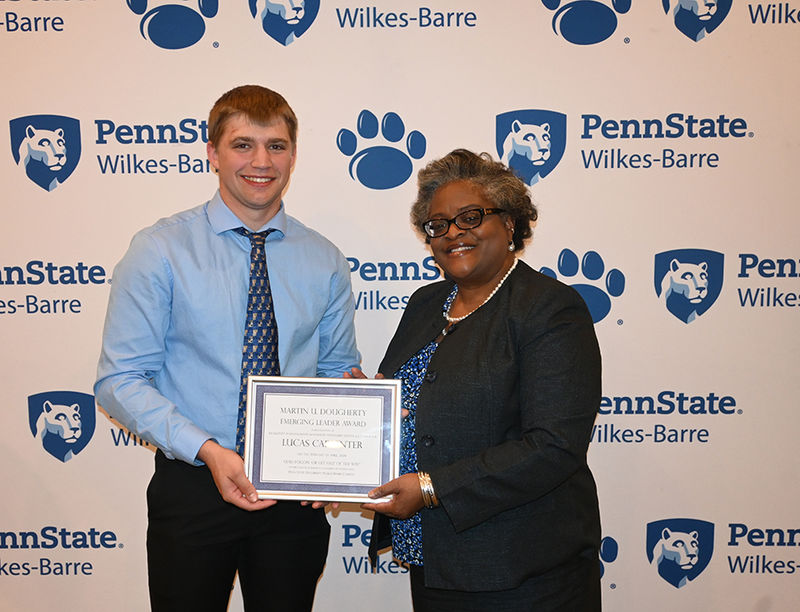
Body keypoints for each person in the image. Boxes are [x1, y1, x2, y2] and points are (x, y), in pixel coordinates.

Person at [94, 85, 360, 612]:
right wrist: (209, 451)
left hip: (294, 493)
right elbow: (119, 380)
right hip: (194, 482)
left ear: (294, 154)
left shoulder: (325, 258)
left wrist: (340, 455)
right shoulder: (160, 250)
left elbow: (336, 370)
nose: (261, 162)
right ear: (212, 152)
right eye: (243, 145)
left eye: (276, 146)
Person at [361, 149, 602, 611]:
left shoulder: (549, 309)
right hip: (434, 562)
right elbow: (411, 402)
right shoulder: (425, 304)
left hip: (521, 573)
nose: (453, 233)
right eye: (438, 224)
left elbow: (553, 445)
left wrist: (430, 489)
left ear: (509, 221)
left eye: (470, 217)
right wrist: (361, 415)